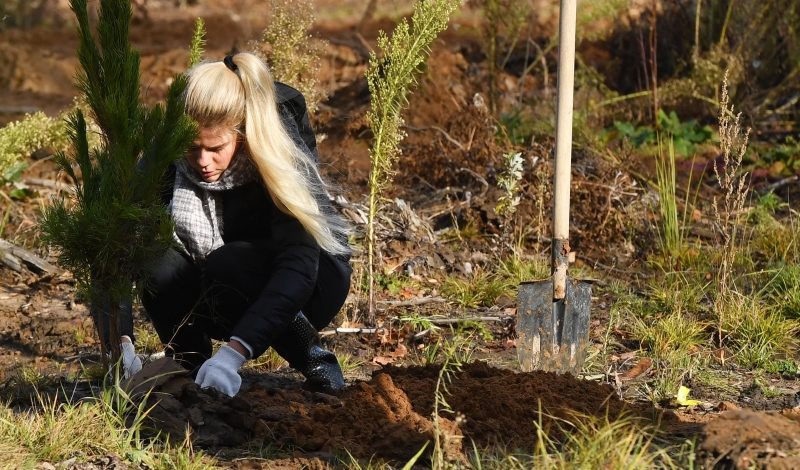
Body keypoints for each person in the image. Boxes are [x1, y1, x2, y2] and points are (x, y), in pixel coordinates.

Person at [98, 52, 352, 397]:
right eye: (192, 147)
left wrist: (232, 355)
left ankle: (316, 359)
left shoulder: (277, 155)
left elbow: (299, 269)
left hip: (306, 285)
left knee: (230, 262)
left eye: (216, 148)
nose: (202, 161)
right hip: (219, 284)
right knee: (153, 252)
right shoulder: (169, 152)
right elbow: (117, 244)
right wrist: (121, 339)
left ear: (241, 132)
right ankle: (190, 361)